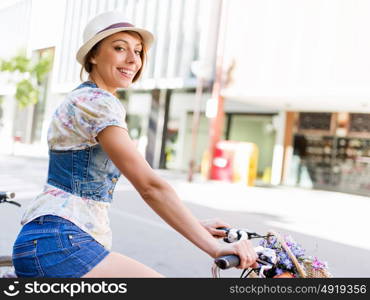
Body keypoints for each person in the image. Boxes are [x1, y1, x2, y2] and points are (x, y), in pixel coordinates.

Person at [12, 11, 258, 278]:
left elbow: (101, 194)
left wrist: (195, 225)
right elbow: (150, 186)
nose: (133, 59)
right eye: (119, 48)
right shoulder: (98, 102)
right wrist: (212, 247)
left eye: (138, 51)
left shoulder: (83, 99)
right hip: (61, 244)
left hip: (52, 239)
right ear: (93, 55)